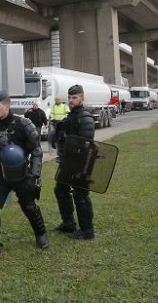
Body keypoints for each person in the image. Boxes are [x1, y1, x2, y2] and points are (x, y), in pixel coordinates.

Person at [0, 91, 48, 260]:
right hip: (1, 175)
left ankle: (41, 234)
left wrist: (34, 175)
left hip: (22, 174)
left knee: (29, 206)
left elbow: (37, 151)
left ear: (7, 106)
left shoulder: (23, 124)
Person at [54, 84, 96, 240]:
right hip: (68, 162)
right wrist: (59, 134)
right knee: (60, 190)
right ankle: (68, 223)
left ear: (82, 98)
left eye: (75, 97)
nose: (71, 100)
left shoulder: (85, 117)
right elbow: (65, 138)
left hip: (81, 163)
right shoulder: (71, 116)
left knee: (81, 195)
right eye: (70, 97)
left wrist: (68, 141)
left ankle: (87, 230)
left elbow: (86, 142)